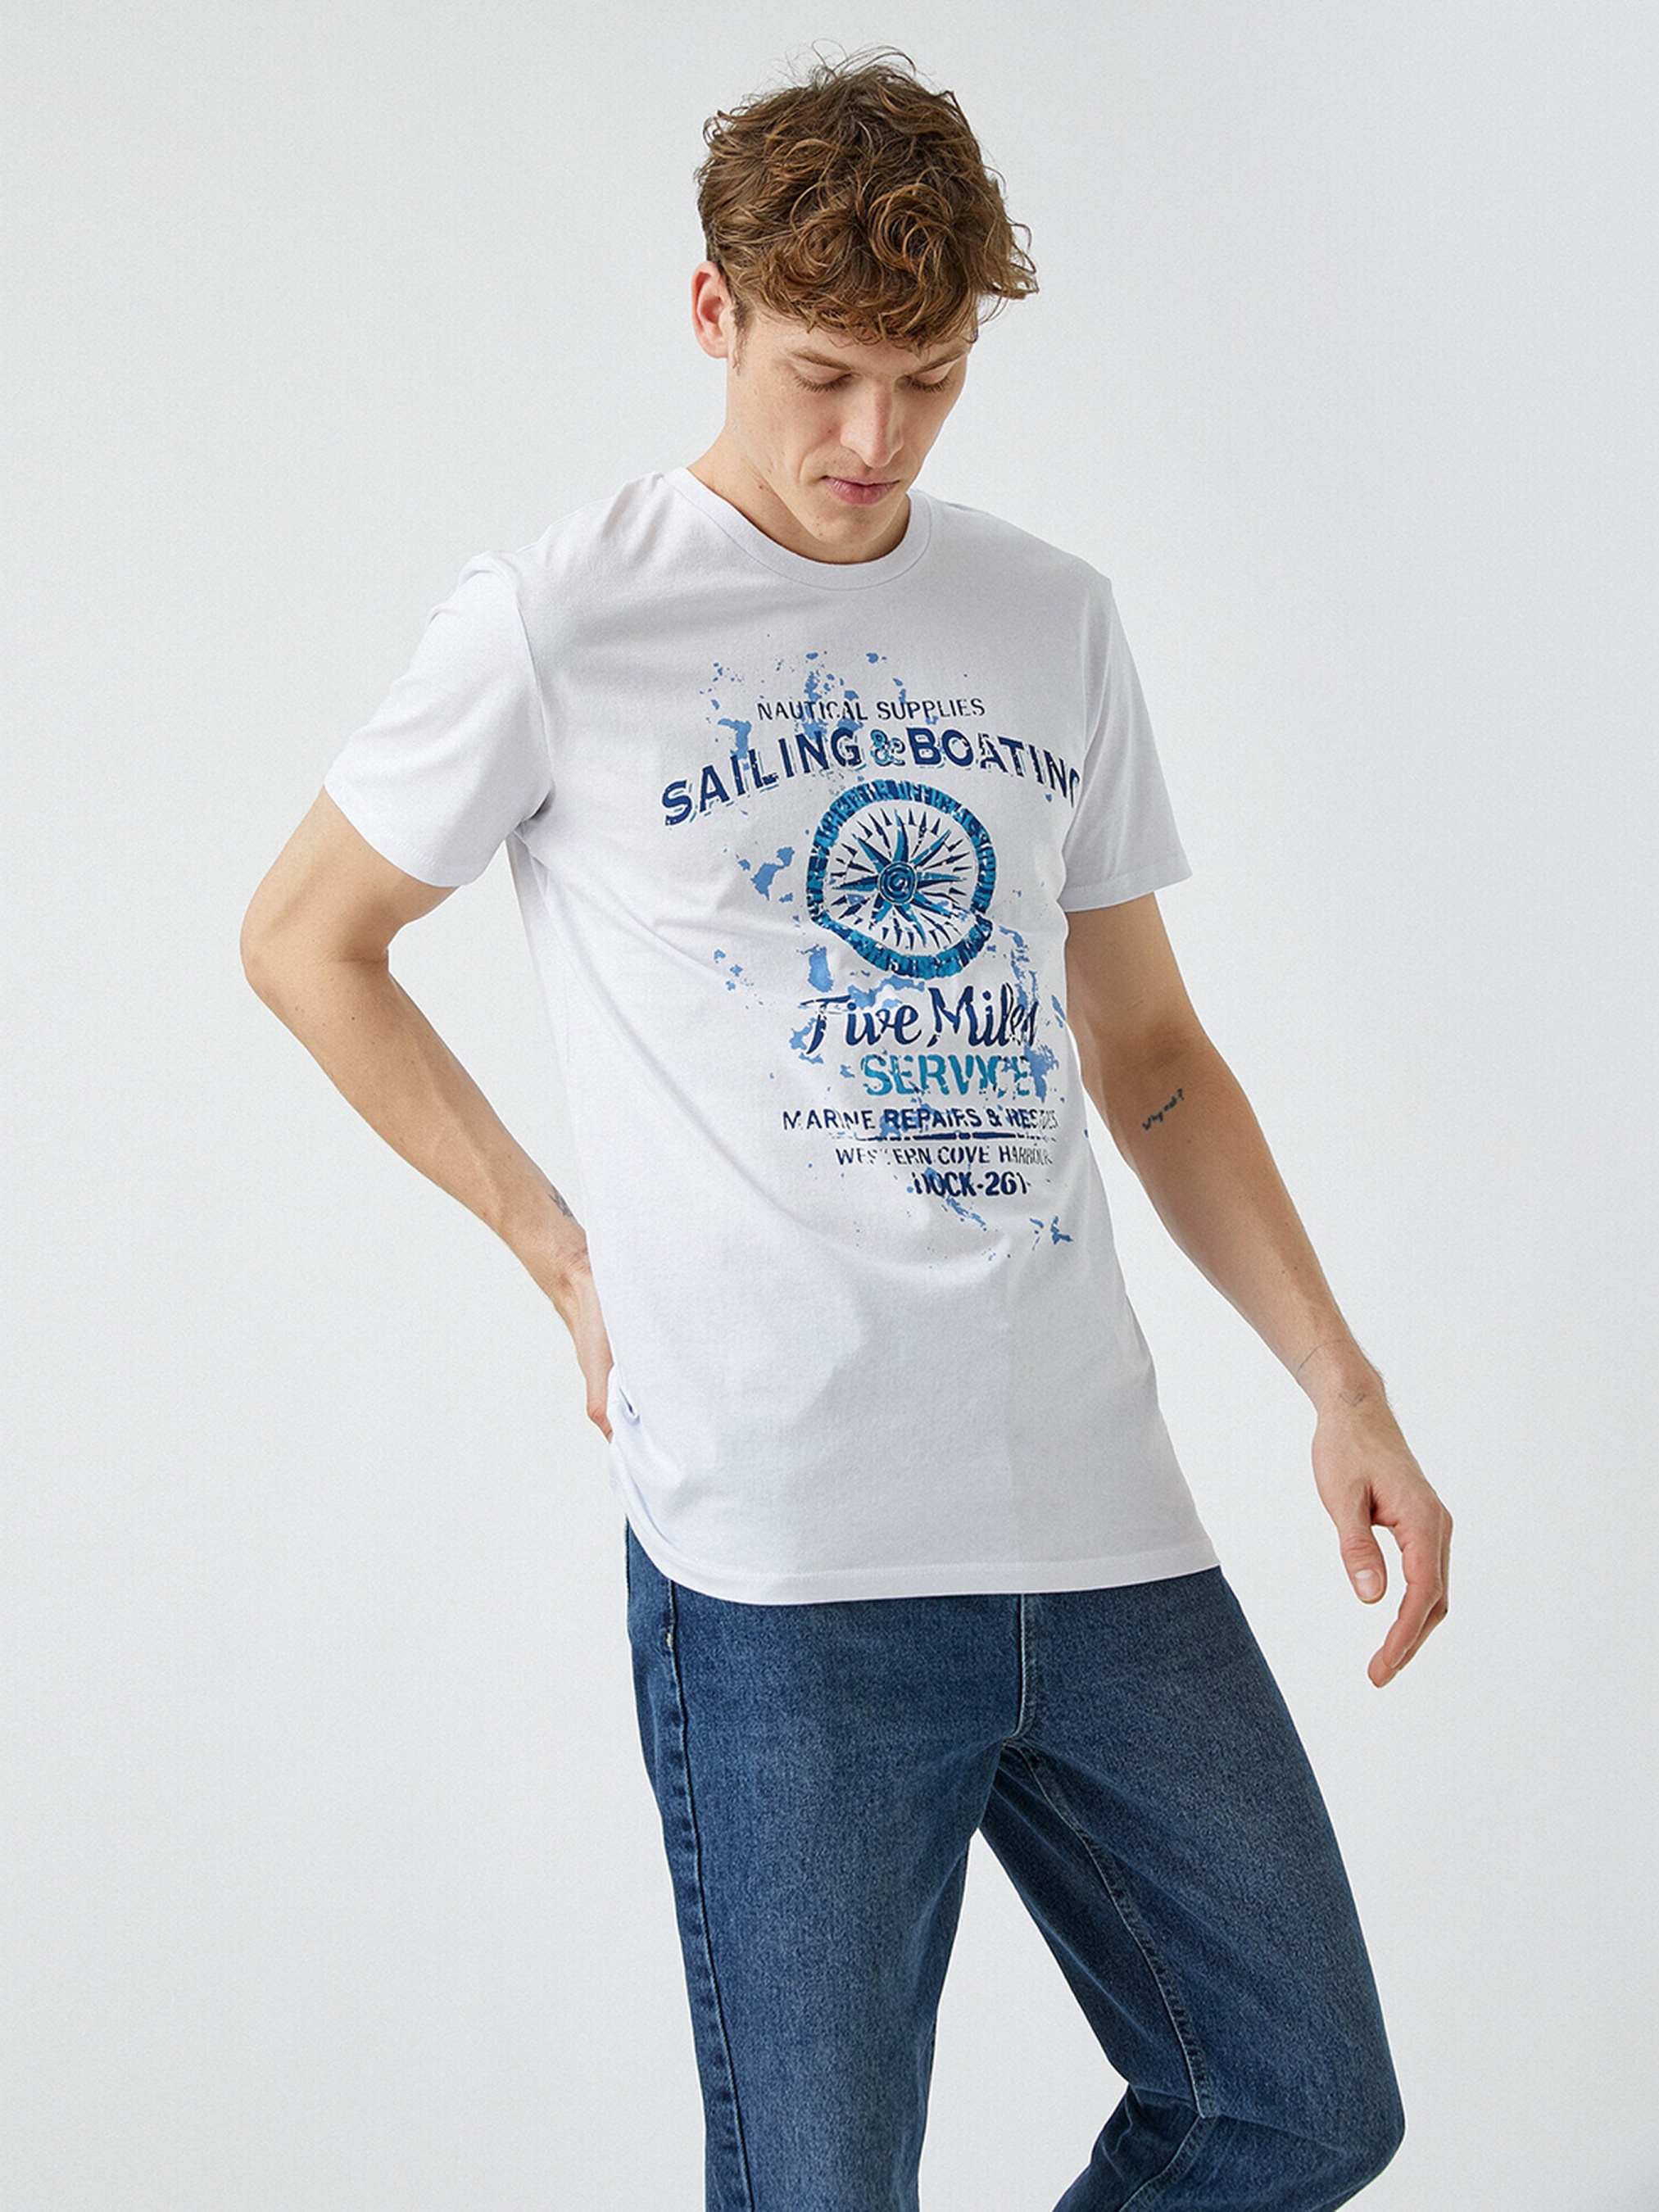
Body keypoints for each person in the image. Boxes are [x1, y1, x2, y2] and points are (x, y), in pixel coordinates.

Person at [240, 43, 1451, 2212]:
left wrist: (1338, 1380)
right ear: (713, 312)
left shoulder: (1050, 617)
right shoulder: (563, 617)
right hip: (781, 1555)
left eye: (929, 381)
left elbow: (1149, 1050)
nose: (872, 442)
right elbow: (307, 938)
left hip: (1097, 1524)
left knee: (1297, 2096)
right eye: (823, 376)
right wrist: (556, 1248)